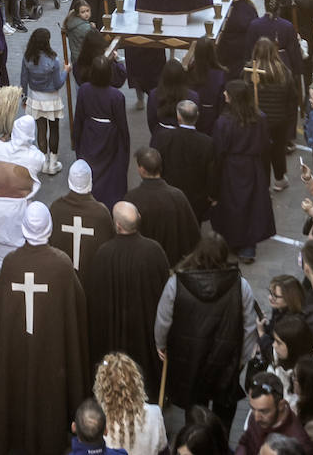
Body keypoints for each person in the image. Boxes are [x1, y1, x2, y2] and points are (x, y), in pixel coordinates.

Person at [0, 202, 88, 455]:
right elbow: (77, 304)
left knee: (15, 385)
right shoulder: (62, 264)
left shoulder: (11, 262)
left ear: (24, 229)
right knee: (48, 390)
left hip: (16, 345)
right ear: (49, 228)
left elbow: (0, 311)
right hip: (50, 345)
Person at [156, 232, 258, 435]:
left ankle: (195, 441)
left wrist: (161, 343)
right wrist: (243, 359)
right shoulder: (240, 285)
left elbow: (164, 319)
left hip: (191, 356)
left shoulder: (177, 283)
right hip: (226, 357)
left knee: (194, 407)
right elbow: (249, 324)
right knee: (223, 408)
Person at [86, 203, 169, 399]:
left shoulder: (103, 253)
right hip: (144, 330)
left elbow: (94, 297)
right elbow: (165, 292)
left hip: (113, 334)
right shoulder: (154, 251)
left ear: (117, 225)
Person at [211, 79, 275, 264]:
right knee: (251, 205)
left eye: (227, 93)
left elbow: (217, 151)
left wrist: (213, 185)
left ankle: (234, 242)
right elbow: (265, 147)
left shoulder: (224, 122)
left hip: (231, 168)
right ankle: (248, 246)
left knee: (231, 205)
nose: (224, 94)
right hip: (253, 166)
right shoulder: (259, 118)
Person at [0, 110, 44, 268]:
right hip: (17, 215)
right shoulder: (36, 158)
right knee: (16, 260)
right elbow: (38, 159)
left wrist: (2, 140)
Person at [127, 147, 200, 267]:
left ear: (142, 169)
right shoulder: (178, 197)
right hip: (173, 265)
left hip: (143, 266)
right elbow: (193, 236)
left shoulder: (132, 199)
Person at [74, 56, 130, 212]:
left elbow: (79, 117)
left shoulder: (84, 90)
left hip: (90, 135)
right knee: (111, 174)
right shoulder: (116, 96)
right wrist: (125, 148)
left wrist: (77, 141)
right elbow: (122, 125)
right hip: (109, 138)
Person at [247, 37, 300, 192]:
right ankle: (279, 179)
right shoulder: (283, 71)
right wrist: (290, 119)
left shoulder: (249, 70)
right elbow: (292, 97)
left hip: (256, 120)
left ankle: (263, 184)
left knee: (260, 152)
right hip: (279, 120)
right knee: (278, 150)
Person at [152, 100, 218, 222]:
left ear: (178, 116)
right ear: (197, 116)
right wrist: (212, 195)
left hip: (169, 193)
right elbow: (211, 171)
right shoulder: (207, 142)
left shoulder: (164, 137)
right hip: (197, 196)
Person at [93, 350, 168, 455]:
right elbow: (163, 451)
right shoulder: (155, 413)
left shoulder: (96, 421)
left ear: (103, 386)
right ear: (136, 382)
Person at [49, 161, 113, 275]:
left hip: (62, 275)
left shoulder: (56, 208)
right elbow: (110, 248)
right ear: (90, 181)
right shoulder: (101, 214)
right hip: (92, 277)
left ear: (69, 180)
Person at [20, 29, 69, 175]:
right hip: (52, 99)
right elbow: (58, 83)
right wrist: (66, 71)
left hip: (35, 98)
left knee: (41, 130)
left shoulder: (27, 58)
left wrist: (24, 97)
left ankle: (43, 162)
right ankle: (53, 164)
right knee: (54, 129)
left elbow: (24, 80)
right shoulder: (53, 60)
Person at [234, 372, 313, 455]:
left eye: (264, 411)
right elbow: (245, 442)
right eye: (253, 409)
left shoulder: (300, 444)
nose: (256, 418)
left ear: (281, 405)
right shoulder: (257, 416)